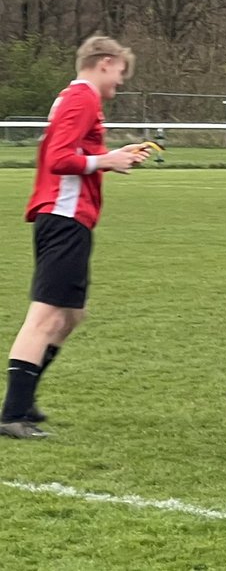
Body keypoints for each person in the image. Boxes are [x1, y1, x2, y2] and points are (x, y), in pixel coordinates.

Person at [1, 36, 149, 440]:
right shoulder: (82, 97)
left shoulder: (78, 98)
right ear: (105, 62)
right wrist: (106, 160)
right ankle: (12, 413)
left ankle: (24, 397)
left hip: (70, 218)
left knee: (70, 315)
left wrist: (115, 155)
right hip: (63, 217)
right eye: (120, 73)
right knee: (46, 315)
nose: (121, 83)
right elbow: (59, 159)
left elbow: (72, 151)